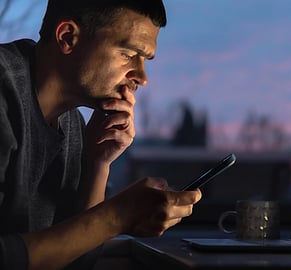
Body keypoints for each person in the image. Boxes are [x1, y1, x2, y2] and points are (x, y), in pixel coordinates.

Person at [0, 0, 202, 269]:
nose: (142, 77)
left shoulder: (72, 126)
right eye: (129, 54)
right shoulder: (5, 93)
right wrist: (117, 216)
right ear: (67, 37)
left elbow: (75, 260)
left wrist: (97, 162)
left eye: (145, 60)